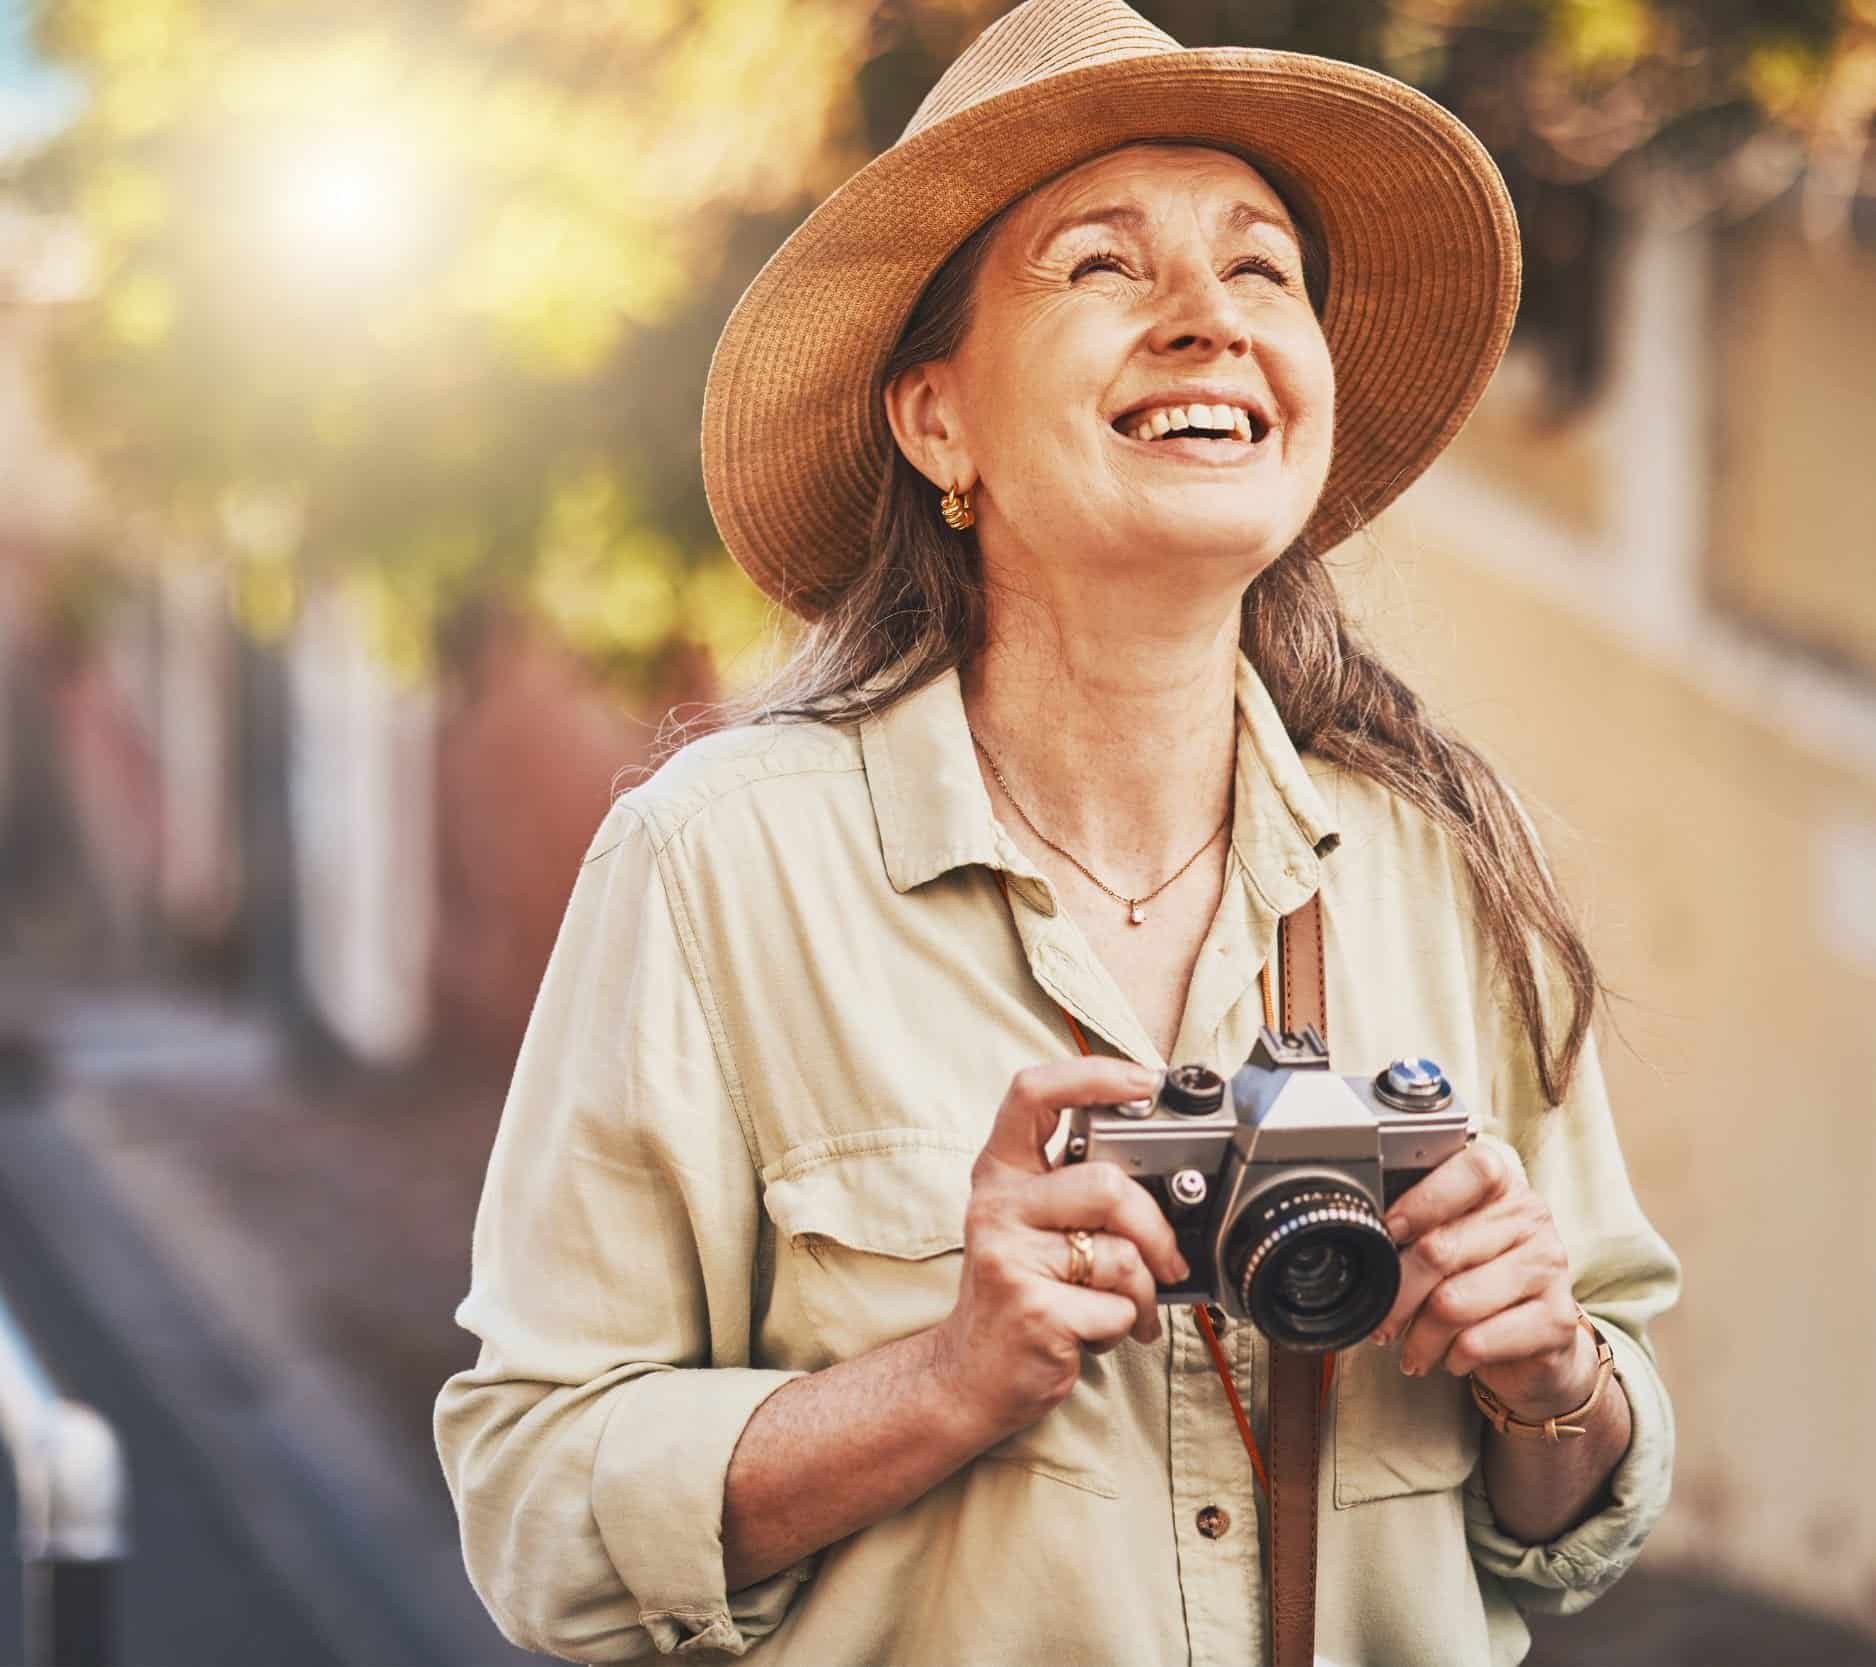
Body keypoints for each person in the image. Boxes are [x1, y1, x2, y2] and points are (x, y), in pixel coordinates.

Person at [432, 2, 1680, 1662]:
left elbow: (1562, 1533)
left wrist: (1553, 1377)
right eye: (1102, 266)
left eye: (1262, 272)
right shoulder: (718, 866)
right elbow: (534, 1512)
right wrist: (944, 1381)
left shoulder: (1448, 866)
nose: (1206, 321)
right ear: (936, 420)